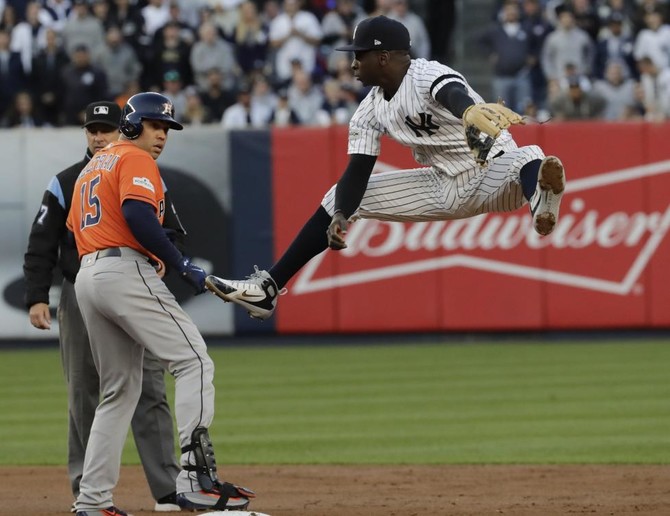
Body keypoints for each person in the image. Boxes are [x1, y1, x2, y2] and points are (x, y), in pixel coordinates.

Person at [205, 15, 567, 321]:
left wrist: (467, 110)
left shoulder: (426, 74)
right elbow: (358, 171)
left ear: (383, 57)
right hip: (441, 185)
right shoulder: (369, 110)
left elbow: (451, 91)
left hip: (492, 171)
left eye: (358, 56)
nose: (351, 65)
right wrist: (343, 214)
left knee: (529, 154)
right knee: (338, 197)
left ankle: (541, 199)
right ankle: (268, 289)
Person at [66, 92, 255, 516]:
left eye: (166, 128)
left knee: (119, 390)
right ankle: (194, 477)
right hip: (121, 270)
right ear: (131, 126)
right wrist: (181, 264)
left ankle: (93, 501)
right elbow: (137, 215)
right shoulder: (135, 159)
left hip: (88, 276)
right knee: (194, 361)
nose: (162, 135)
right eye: (154, 125)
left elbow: (82, 228)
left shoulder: (90, 168)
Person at [23, 101, 183, 512]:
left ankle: (167, 487)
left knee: (148, 386)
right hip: (81, 295)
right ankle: (86, 488)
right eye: (92, 129)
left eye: (106, 129)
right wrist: (37, 295)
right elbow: (42, 241)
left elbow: (170, 231)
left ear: (123, 130)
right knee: (84, 391)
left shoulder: (132, 168)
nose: (98, 136)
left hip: (122, 287)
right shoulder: (66, 179)